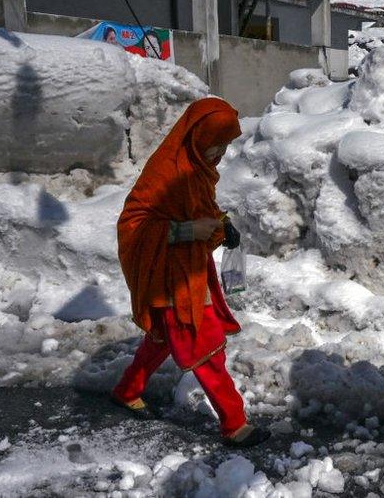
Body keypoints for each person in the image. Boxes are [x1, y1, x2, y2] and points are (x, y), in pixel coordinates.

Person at [111, 98, 269, 448]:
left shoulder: (196, 167)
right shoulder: (165, 172)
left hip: (190, 270)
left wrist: (221, 225)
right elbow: (133, 225)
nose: (221, 154)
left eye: (226, 146)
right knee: (204, 342)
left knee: (165, 337)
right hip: (170, 278)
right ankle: (235, 424)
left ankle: (127, 389)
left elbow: (200, 211)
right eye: (217, 145)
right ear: (198, 138)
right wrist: (186, 232)